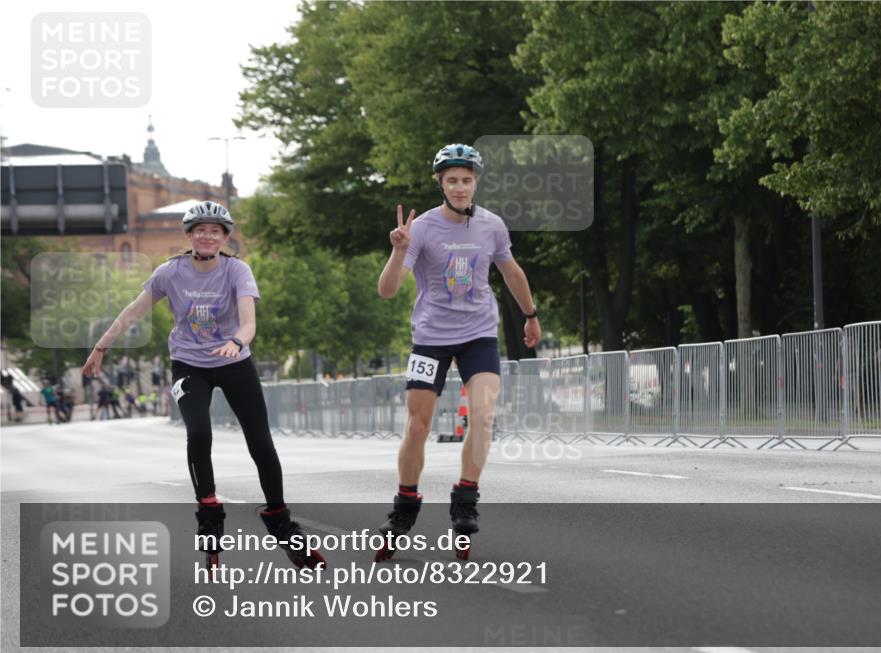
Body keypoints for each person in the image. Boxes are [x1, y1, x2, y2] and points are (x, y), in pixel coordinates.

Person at [82, 200, 324, 571]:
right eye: (200, 230)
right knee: (198, 431)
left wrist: (237, 344)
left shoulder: (237, 270)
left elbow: (248, 323)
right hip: (189, 364)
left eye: (215, 231)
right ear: (190, 236)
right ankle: (209, 513)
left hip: (234, 361)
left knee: (260, 441)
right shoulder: (170, 272)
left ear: (225, 237)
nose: (207, 236)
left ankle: (279, 518)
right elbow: (133, 311)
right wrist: (101, 346)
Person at [375, 143, 541, 560]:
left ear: (476, 182)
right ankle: (404, 506)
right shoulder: (424, 229)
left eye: (467, 180)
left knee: (483, 415)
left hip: (478, 334)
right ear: (441, 184)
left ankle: (465, 499)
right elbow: (387, 291)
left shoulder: (492, 225)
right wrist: (398, 249)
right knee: (417, 425)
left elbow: (512, 271)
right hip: (431, 335)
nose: (461, 187)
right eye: (452, 180)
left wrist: (531, 315)